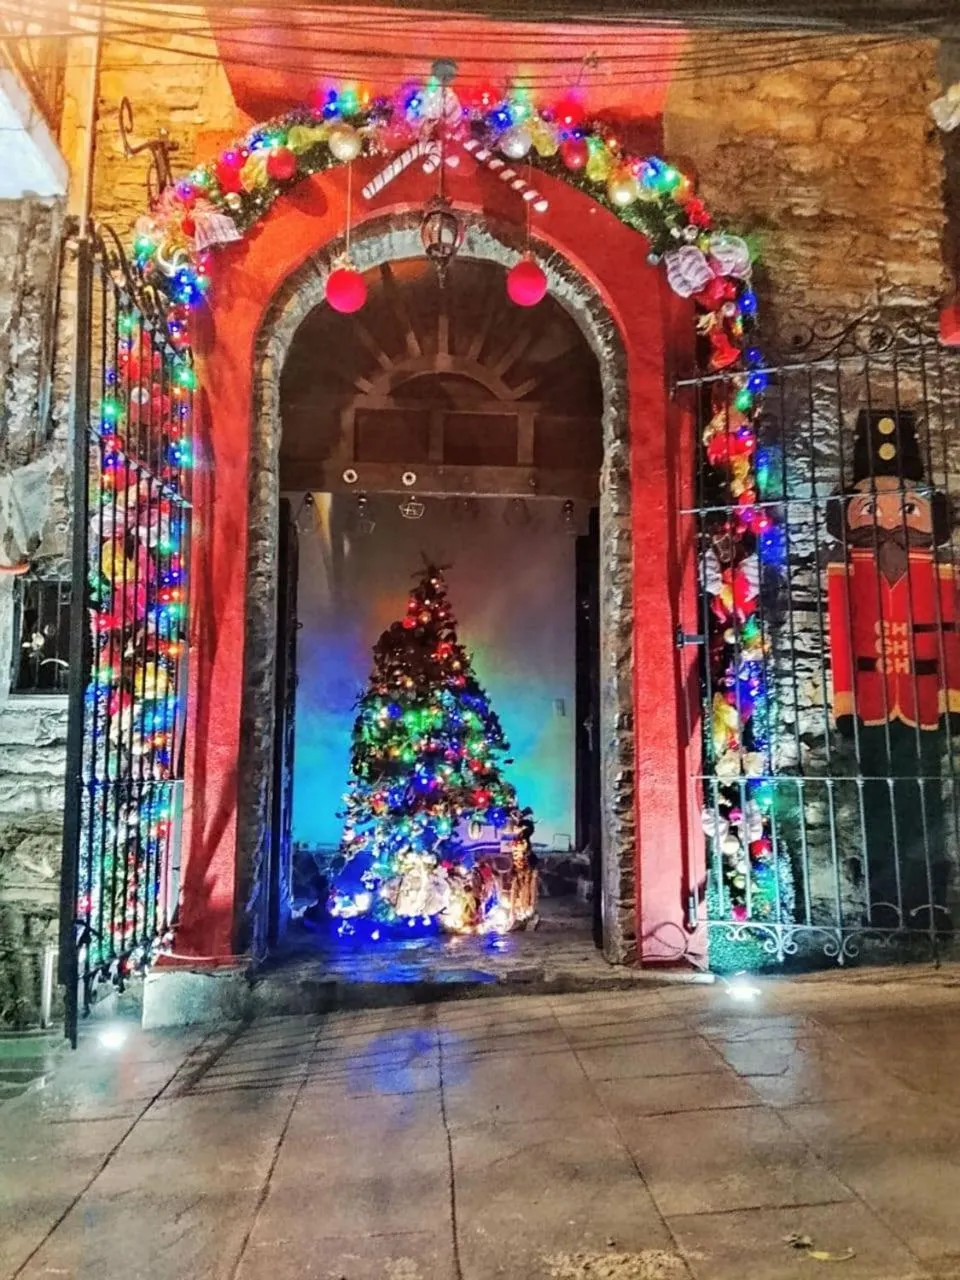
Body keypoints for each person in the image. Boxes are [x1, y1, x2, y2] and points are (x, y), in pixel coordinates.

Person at [826, 409, 959, 933]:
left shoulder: (938, 571)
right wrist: (844, 702)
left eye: (905, 507)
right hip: (872, 703)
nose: (888, 521)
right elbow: (841, 637)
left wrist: (952, 697)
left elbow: (949, 634)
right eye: (872, 508)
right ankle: (883, 900)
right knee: (875, 800)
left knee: (927, 801)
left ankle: (928, 900)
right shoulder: (847, 572)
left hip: (922, 703)